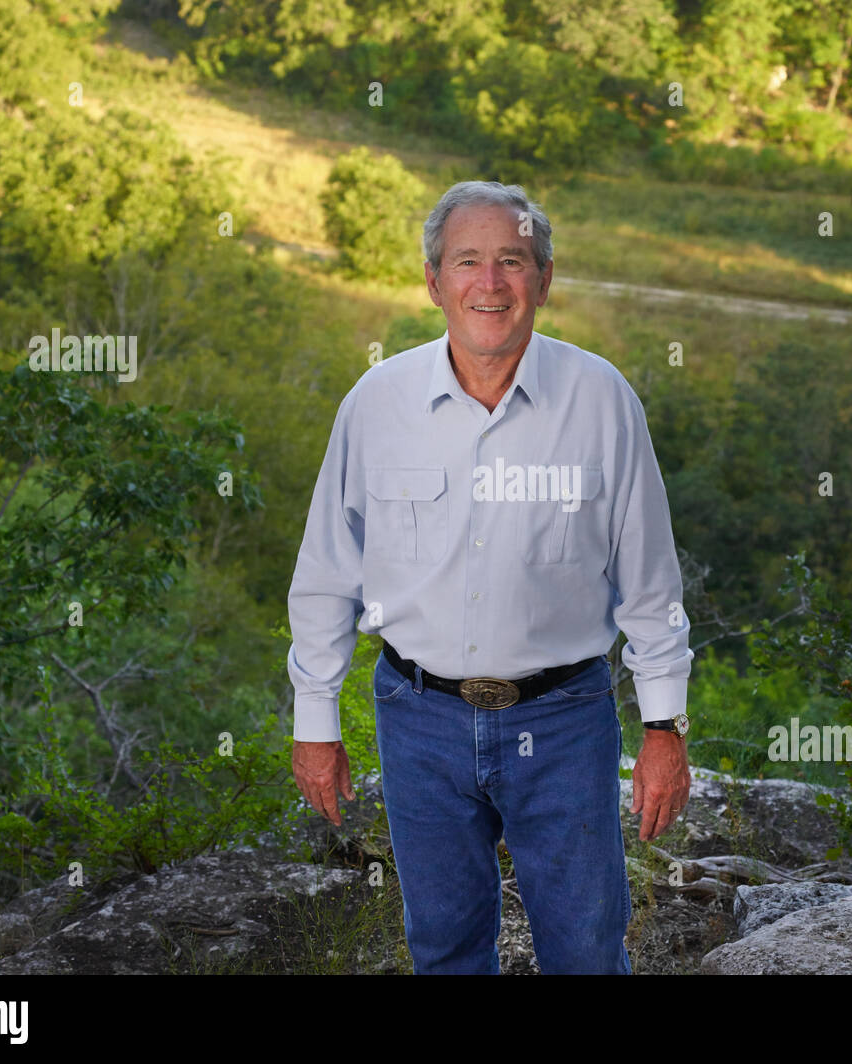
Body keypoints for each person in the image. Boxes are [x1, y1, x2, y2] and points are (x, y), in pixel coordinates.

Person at [287, 180, 693, 974]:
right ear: (434, 281)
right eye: (467, 260)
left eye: (513, 260)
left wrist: (663, 728)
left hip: (567, 719)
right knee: (444, 947)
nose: (491, 281)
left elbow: (650, 582)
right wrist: (315, 721)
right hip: (418, 717)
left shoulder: (603, 401)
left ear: (544, 278)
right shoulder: (378, 403)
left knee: (584, 948)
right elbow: (327, 572)